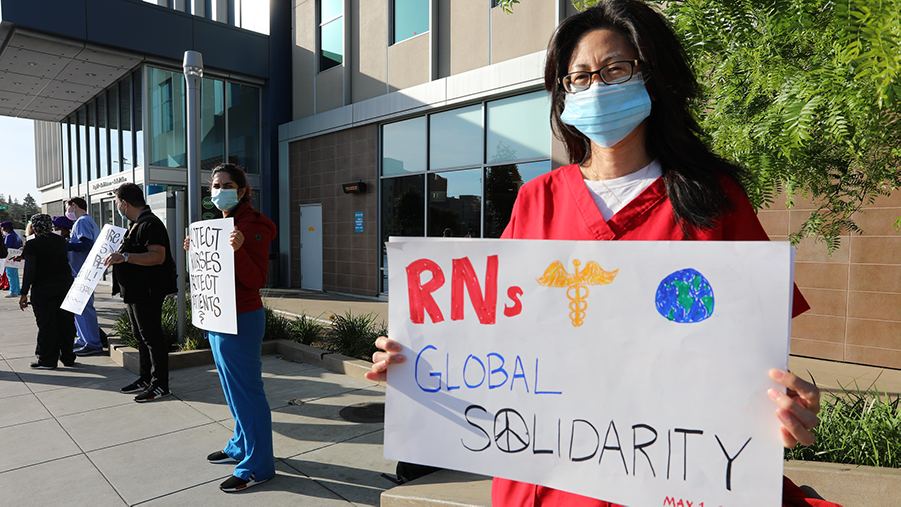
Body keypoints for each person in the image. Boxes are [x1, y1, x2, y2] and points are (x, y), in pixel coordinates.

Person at [367, 2, 825, 506]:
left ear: (652, 76)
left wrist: (786, 405)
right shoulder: (535, 200)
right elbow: (498, 341)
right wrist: (423, 364)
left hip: (672, 477)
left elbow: (754, 357)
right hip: (547, 476)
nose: (597, 89)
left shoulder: (713, 200)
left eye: (616, 70)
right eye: (579, 77)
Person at [185, 163, 278, 493]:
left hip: (241, 318)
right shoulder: (221, 224)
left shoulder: (254, 226)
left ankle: (258, 466)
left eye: (225, 184)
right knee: (232, 390)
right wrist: (197, 251)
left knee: (248, 394)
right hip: (219, 318)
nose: (218, 190)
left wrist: (236, 251)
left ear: (241, 190)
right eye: (213, 185)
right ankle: (240, 445)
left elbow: (257, 280)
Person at [104, 183, 177, 402]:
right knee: (141, 336)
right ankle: (146, 378)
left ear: (124, 203)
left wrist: (124, 257)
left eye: (117, 203)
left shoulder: (150, 224)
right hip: (135, 292)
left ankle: (160, 385)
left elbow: (157, 256)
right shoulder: (135, 224)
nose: (117, 207)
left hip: (147, 292)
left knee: (152, 338)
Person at [18, 214, 77, 369]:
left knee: (47, 324)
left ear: (34, 227)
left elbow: (30, 270)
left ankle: (47, 360)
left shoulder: (32, 244)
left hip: (44, 288)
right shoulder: (61, 241)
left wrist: (24, 292)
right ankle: (68, 357)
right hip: (65, 285)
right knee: (66, 322)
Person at [64, 197, 105, 356]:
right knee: (79, 308)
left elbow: (86, 244)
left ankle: (93, 343)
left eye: (67, 208)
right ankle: (83, 339)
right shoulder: (87, 221)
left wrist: (64, 245)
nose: (67, 212)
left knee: (84, 309)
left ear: (74, 206)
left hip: (83, 272)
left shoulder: (82, 222)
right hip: (83, 271)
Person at [2, 220, 22, 298]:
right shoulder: (16, 235)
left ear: (7, 228)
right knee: (15, 275)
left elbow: (6, 246)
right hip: (15, 256)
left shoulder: (9, 236)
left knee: (10, 275)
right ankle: (17, 290)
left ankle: (13, 291)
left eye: (3, 229)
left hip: (9, 257)